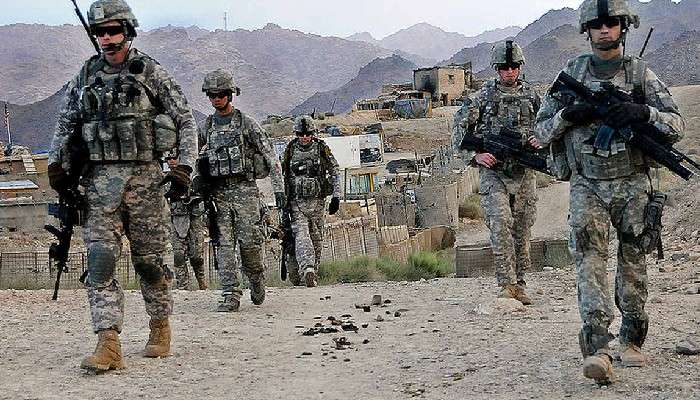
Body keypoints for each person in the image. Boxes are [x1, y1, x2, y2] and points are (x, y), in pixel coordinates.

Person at [534, 0, 685, 384]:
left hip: (634, 183)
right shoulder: (571, 75)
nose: (605, 30)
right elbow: (538, 132)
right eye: (598, 24)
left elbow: (675, 126)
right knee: (589, 260)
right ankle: (598, 346)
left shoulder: (639, 75)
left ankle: (631, 340)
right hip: (587, 184)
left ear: (624, 27)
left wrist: (642, 114)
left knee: (633, 262)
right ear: (587, 30)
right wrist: (568, 116)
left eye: (612, 23)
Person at [47, 0, 198, 372]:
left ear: (128, 31)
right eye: (100, 32)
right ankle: (108, 342)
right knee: (100, 262)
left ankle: (160, 326)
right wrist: (56, 165)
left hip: (146, 184)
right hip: (99, 188)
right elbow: (65, 124)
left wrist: (185, 168)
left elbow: (187, 121)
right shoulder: (85, 77)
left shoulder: (150, 73)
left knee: (150, 263)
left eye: (113, 31)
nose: (107, 39)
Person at [452, 40, 541, 305]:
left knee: (523, 229)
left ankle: (521, 284)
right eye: (504, 67)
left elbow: (549, 126)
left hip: (524, 172)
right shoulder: (483, 97)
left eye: (514, 66)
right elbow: (458, 129)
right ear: (496, 69)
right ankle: (507, 285)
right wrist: (475, 156)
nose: (510, 72)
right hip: (494, 173)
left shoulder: (533, 97)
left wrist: (541, 138)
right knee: (501, 225)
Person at [196, 69, 285, 312]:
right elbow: (195, 159)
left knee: (250, 244)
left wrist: (279, 191)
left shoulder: (247, 124)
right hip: (218, 195)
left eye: (221, 94)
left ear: (230, 94)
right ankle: (230, 294)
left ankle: (255, 277)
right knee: (223, 245)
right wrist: (196, 185)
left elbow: (271, 157)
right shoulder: (206, 127)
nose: (217, 99)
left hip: (246, 192)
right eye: (212, 95)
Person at [281, 115, 341, 287]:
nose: (305, 137)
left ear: (313, 133)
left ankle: (312, 273)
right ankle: (306, 268)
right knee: (301, 234)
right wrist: (281, 200)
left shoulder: (322, 148)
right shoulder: (290, 150)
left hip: (317, 202)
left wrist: (336, 196)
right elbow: (281, 174)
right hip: (296, 202)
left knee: (316, 238)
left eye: (308, 134)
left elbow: (335, 170)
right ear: (296, 134)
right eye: (301, 134)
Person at [166, 156, 208, 291]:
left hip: (194, 218)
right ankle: (183, 286)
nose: (171, 161)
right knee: (178, 254)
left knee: (196, 254)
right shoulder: (166, 178)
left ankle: (201, 281)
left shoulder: (195, 176)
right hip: (176, 218)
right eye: (168, 159)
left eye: (174, 158)